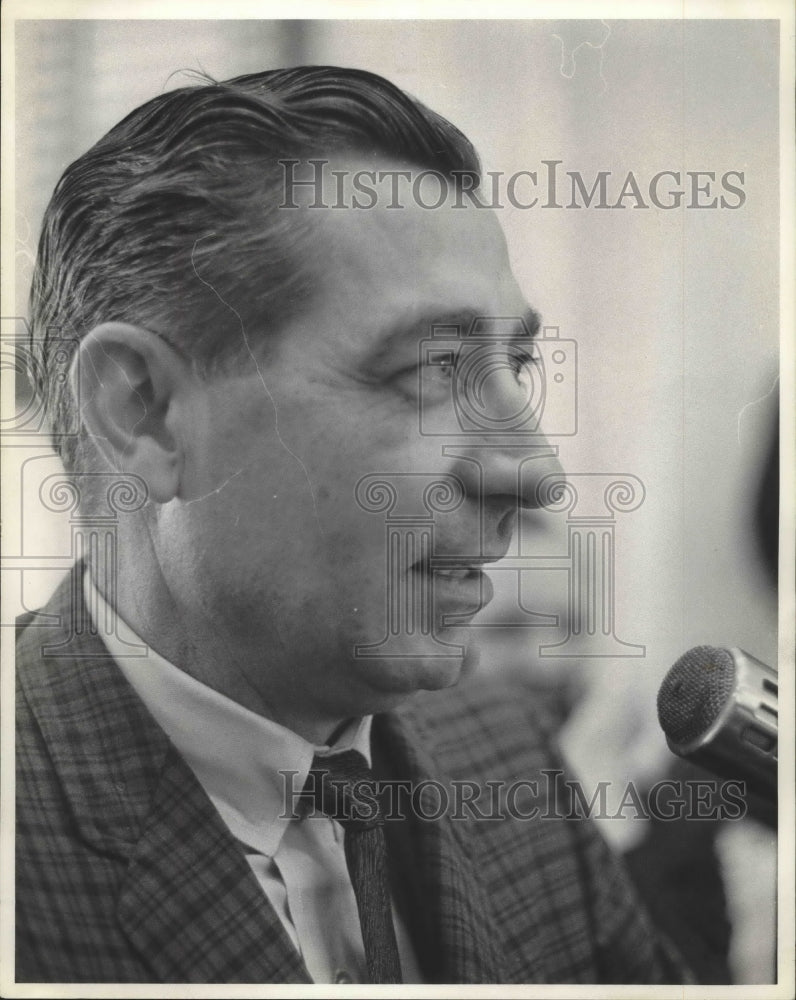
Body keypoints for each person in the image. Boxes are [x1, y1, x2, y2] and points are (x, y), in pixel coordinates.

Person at [16, 66, 695, 985]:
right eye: (433, 366)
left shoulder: (508, 762)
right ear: (144, 411)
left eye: (516, 365)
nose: (535, 472)